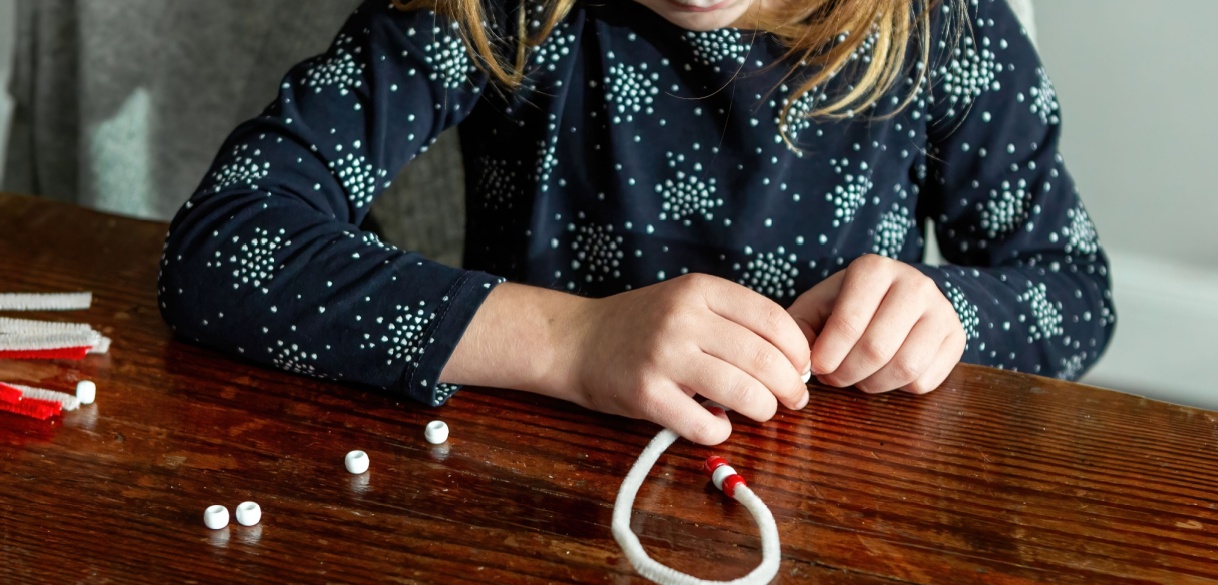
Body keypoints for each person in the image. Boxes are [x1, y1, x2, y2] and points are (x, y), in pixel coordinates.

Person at [159, 0, 1115, 445]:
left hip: (837, 536)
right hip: (529, 497)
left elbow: (1072, 291)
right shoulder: (499, 9)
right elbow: (222, 247)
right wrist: (573, 342)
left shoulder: (946, 26)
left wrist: (948, 313)